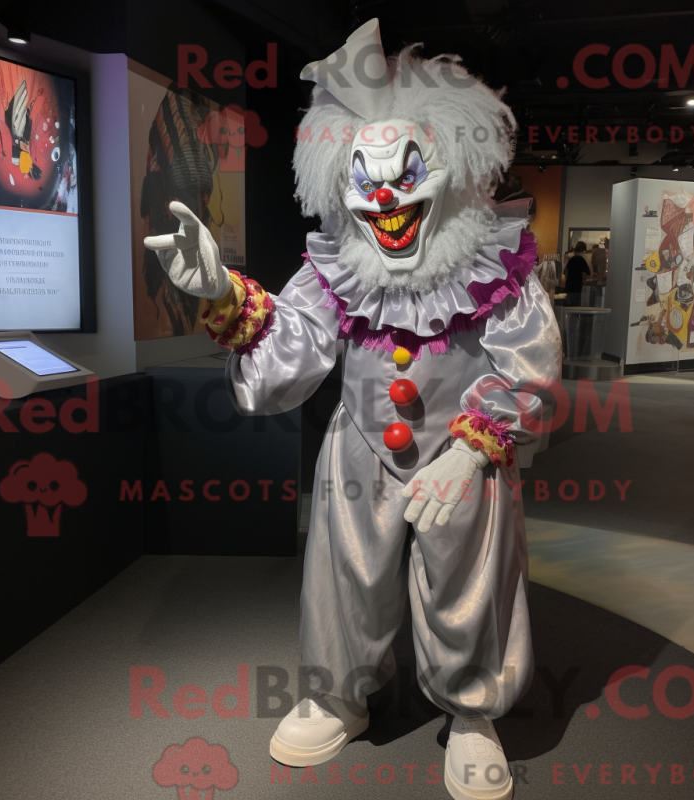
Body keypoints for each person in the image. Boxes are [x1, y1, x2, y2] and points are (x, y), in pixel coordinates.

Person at [145, 20, 561, 800]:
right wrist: (222, 290)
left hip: (464, 449)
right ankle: (339, 695)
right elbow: (293, 346)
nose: (385, 196)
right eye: (365, 177)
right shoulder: (339, 262)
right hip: (361, 443)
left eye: (409, 172)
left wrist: (472, 452)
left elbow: (530, 366)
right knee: (343, 576)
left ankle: (472, 712)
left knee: (471, 578)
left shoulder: (494, 258)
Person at [564, 241, 591, 305]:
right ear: (583, 251)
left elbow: (565, 271)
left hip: (569, 285)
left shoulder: (571, 259)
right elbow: (587, 273)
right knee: (576, 305)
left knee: (568, 305)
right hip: (577, 286)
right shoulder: (581, 259)